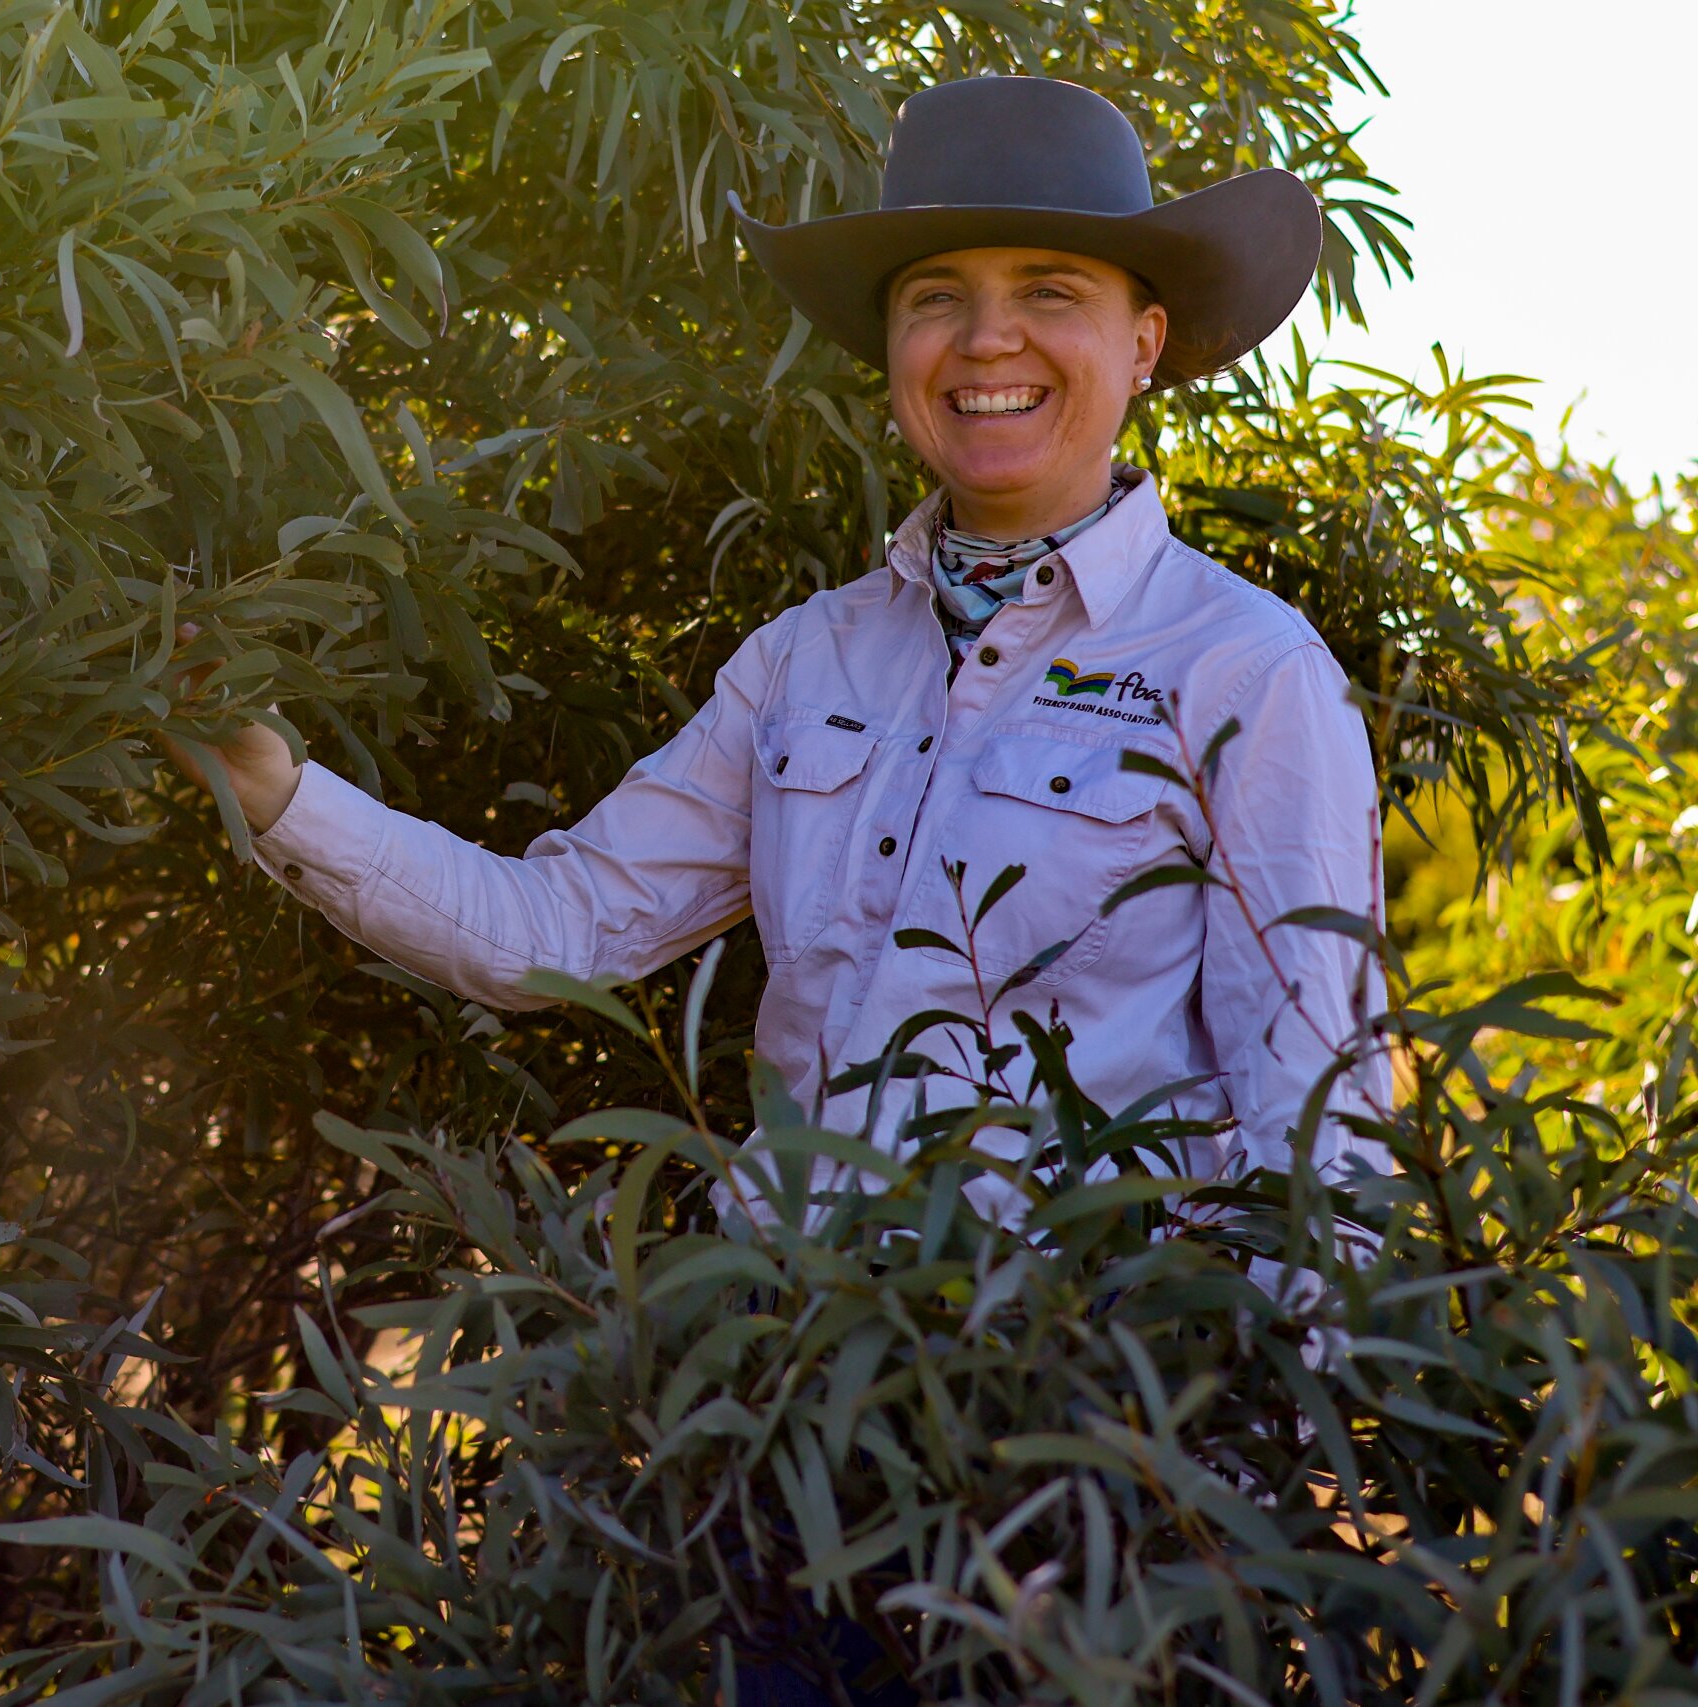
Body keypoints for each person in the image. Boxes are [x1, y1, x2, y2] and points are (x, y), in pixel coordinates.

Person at [173, 74, 1390, 1239]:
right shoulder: (805, 664)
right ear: (890, 351)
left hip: (1076, 1414)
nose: (984, 340)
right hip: (785, 1394)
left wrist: (1255, 1442)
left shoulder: (1247, 672)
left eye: (1052, 291)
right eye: (934, 297)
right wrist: (279, 792)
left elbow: (1319, 1118)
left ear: (1144, 341)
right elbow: (559, 929)